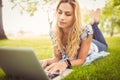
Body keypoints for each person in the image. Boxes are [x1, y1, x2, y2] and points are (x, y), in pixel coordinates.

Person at [40, 0, 108, 76]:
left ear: (75, 17)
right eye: (59, 12)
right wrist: (46, 61)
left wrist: (65, 63)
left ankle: (94, 23)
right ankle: (93, 22)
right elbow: (57, 57)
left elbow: (81, 60)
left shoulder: (85, 30)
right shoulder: (54, 32)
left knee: (105, 45)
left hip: (93, 45)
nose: (61, 17)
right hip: (85, 39)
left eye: (68, 14)